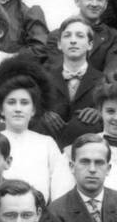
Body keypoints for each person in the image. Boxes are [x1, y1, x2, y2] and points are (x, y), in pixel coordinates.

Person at [0, 56, 72, 203]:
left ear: (34, 109)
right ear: (1, 109)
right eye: (11, 102)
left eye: (24, 103)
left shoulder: (47, 144)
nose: (17, 109)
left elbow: (61, 191)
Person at [43, 16, 104, 148]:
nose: (73, 41)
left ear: (90, 44)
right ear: (59, 44)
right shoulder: (44, 80)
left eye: (80, 36)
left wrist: (100, 113)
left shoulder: (103, 81)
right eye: (67, 36)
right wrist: (42, 114)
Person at [73, 0, 117, 79]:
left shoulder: (115, 38)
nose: (94, 4)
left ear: (106, 4)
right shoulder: (59, 35)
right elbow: (55, 73)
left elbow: (113, 72)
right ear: (77, 1)